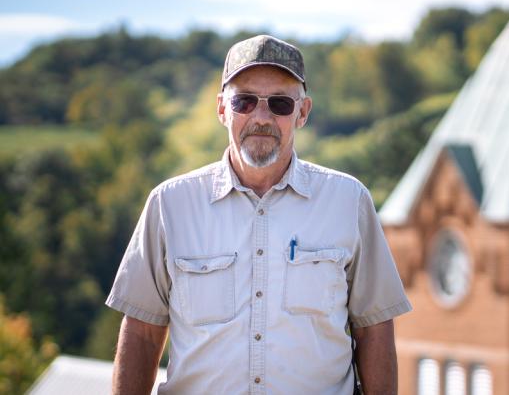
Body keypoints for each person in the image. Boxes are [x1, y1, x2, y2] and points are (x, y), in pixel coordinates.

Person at [106, 35, 412, 395]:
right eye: (245, 101)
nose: (261, 118)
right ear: (222, 109)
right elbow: (141, 332)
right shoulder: (169, 205)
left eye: (280, 104)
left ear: (302, 112)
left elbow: (374, 328)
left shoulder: (349, 201)